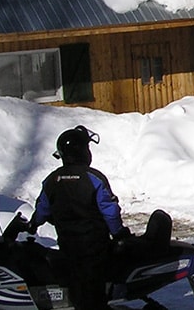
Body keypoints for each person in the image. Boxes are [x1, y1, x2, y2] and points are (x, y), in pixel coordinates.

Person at [29, 126, 128, 310]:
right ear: (83, 151)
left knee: (77, 286)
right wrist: (120, 233)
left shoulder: (52, 180)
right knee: (92, 291)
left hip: (68, 245)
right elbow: (109, 211)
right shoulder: (94, 178)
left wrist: (33, 224)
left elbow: (42, 208)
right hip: (95, 246)